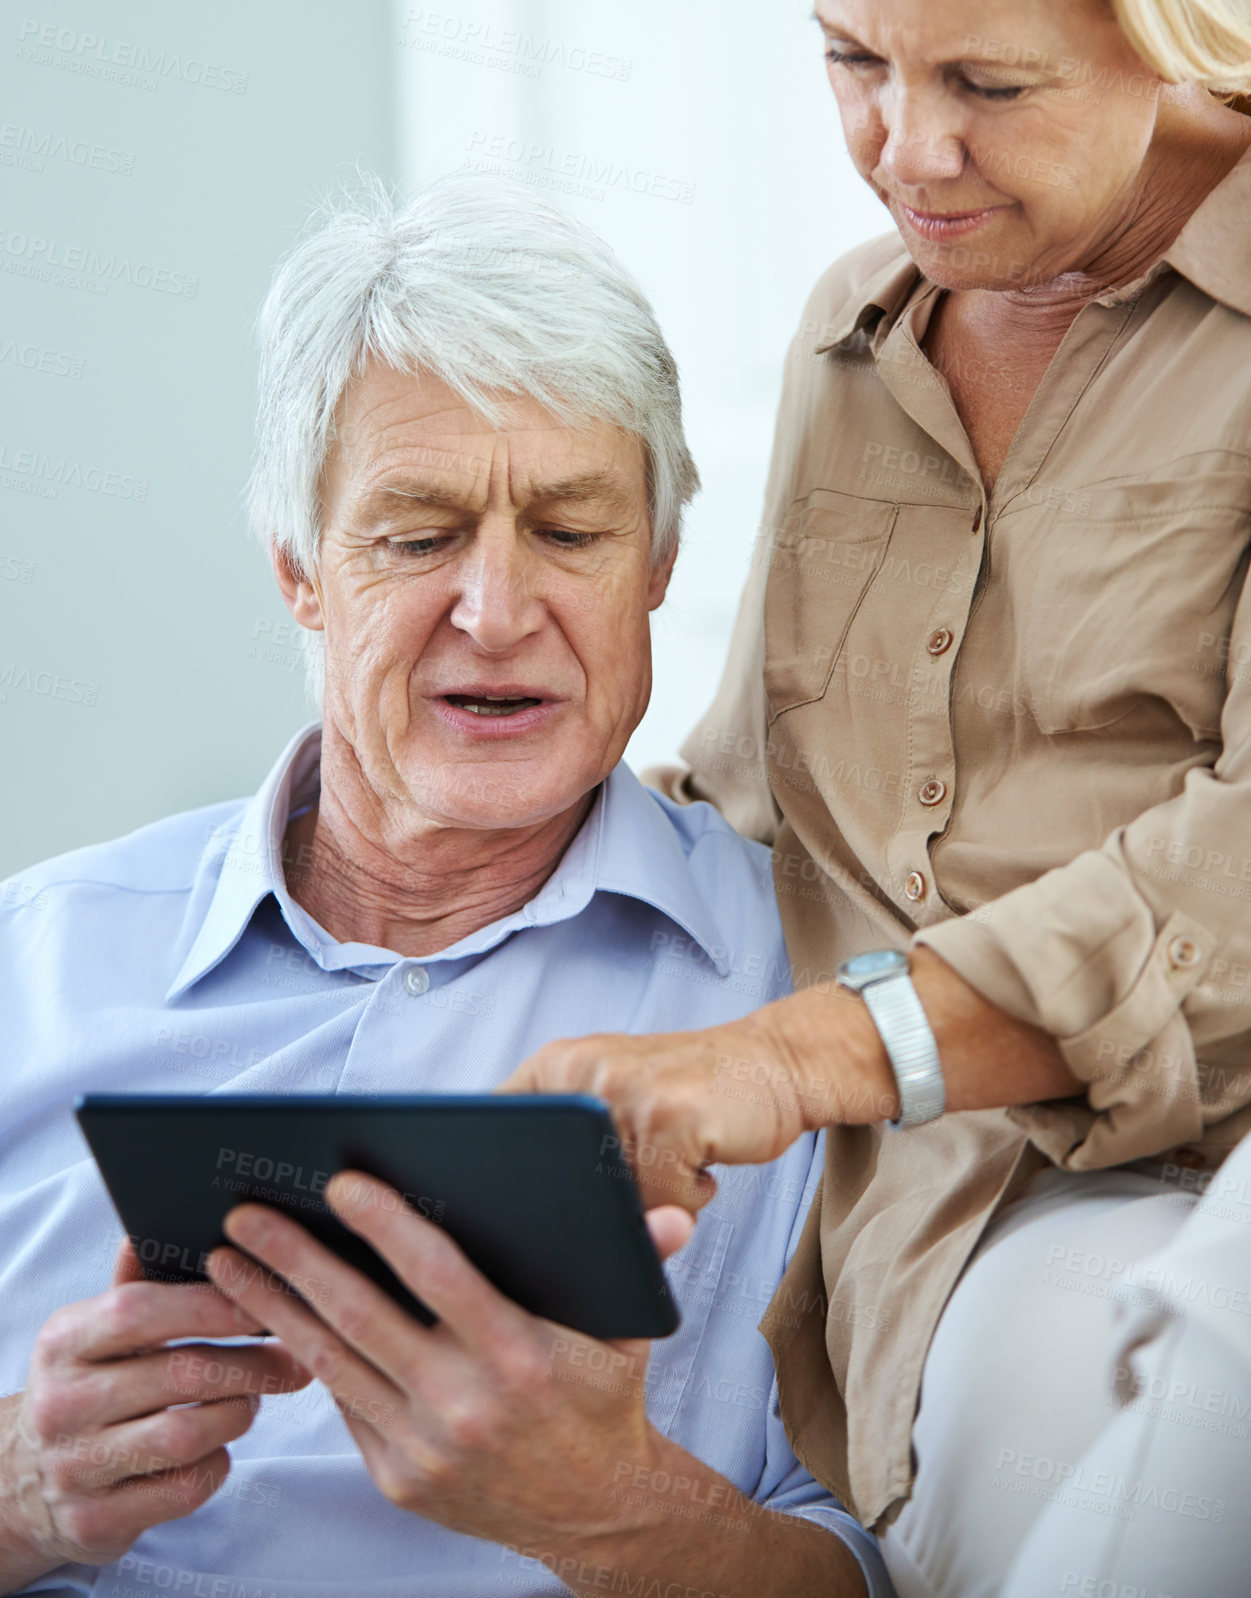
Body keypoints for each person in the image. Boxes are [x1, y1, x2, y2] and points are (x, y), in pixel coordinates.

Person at [0, 178, 891, 1598]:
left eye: (570, 529)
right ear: (300, 569)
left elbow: (880, 1577)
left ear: (658, 559)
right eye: (416, 537)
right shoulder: (32, 960)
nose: (493, 610)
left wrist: (612, 1509)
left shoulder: (804, 1007)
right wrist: (23, 1493)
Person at [501, 2, 1251, 1593]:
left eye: (987, 81)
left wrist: (801, 1053)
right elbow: (755, 787)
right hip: (927, 1209)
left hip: (1183, 1171)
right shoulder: (860, 330)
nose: (906, 151)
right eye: (853, 59)